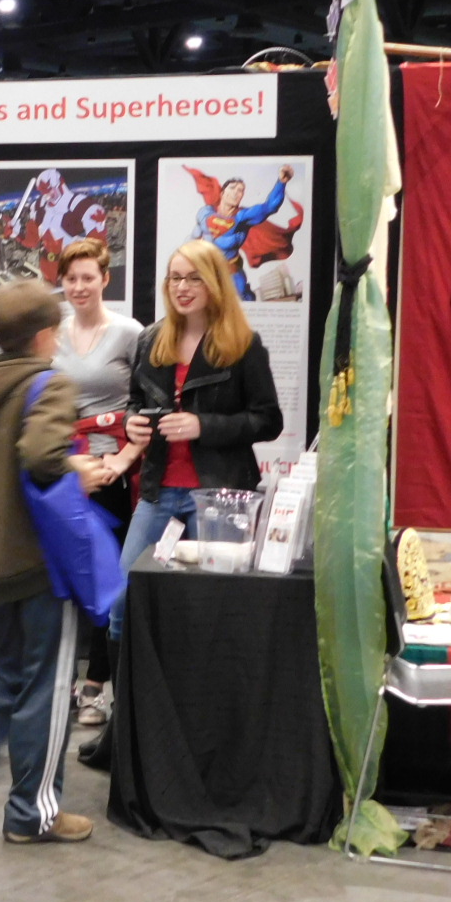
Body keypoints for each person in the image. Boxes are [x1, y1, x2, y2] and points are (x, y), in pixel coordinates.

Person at [0, 280, 101, 844]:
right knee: (49, 687)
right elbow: (40, 455)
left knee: (6, 670)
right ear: (43, 335)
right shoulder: (48, 383)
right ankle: (33, 814)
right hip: (39, 565)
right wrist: (80, 470)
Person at [112, 238, 284, 641]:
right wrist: (131, 423)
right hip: (159, 492)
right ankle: (130, 683)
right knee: (122, 600)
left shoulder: (243, 344)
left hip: (219, 496)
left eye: (193, 278)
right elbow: (134, 402)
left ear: (214, 283)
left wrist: (203, 426)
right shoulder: (151, 340)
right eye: (174, 278)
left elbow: (268, 421)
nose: (182, 287)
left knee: (214, 608)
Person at [50, 238, 143, 728]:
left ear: (106, 279)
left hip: (111, 472)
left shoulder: (131, 334)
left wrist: (123, 460)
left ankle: (96, 686)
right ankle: (62, 681)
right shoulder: (53, 335)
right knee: (64, 581)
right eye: (71, 278)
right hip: (65, 471)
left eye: (88, 277)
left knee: (107, 582)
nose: (79, 286)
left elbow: (147, 403)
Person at [186, 163, 300, 300]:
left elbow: (269, 207)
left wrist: (281, 182)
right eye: (232, 188)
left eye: (240, 190)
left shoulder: (242, 218)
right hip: (205, 272)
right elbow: (192, 239)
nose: (236, 192)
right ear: (222, 193)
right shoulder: (205, 213)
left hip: (231, 274)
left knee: (244, 301)